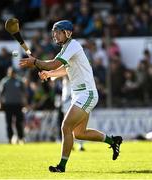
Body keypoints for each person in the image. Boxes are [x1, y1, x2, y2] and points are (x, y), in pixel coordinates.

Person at [19, 20, 123, 172]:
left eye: (58, 31)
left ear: (67, 33)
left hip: (86, 93)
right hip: (79, 94)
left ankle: (61, 167)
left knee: (65, 126)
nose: (54, 34)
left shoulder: (73, 45)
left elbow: (53, 64)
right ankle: (113, 141)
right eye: (54, 31)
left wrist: (36, 62)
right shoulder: (66, 49)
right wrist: (48, 73)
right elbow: (63, 69)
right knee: (79, 133)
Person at [0, 67, 27, 144]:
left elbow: (23, 93)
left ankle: (21, 138)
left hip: (18, 104)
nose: (12, 73)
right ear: (8, 72)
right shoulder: (5, 81)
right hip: (8, 104)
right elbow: (0, 93)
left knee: (19, 122)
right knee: (9, 122)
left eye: (13, 72)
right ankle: (10, 138)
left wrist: (25, 102)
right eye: (11, 72)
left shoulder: (19, 81)